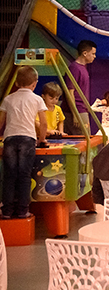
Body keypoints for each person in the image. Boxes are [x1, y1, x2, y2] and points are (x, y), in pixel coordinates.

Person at [1, 66, 48, 220]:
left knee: (9, 176)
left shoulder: (8, 99)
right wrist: (42, 140)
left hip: (10, 139)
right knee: (25, 175)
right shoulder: (37, 99)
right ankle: (23, 211)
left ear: (16, 83)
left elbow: (1, 121)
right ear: (34, 84)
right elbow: (44, 124)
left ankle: (7, 211)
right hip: (28, 139)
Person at [64, 39, 96, 135]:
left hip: (82, 109)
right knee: (83, 140)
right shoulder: (74, 68)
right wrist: (75, 113)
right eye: (93, 53)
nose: (94, 56)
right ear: (85, 53)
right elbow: (70, 92)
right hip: (77, 110)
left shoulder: (83, 68)